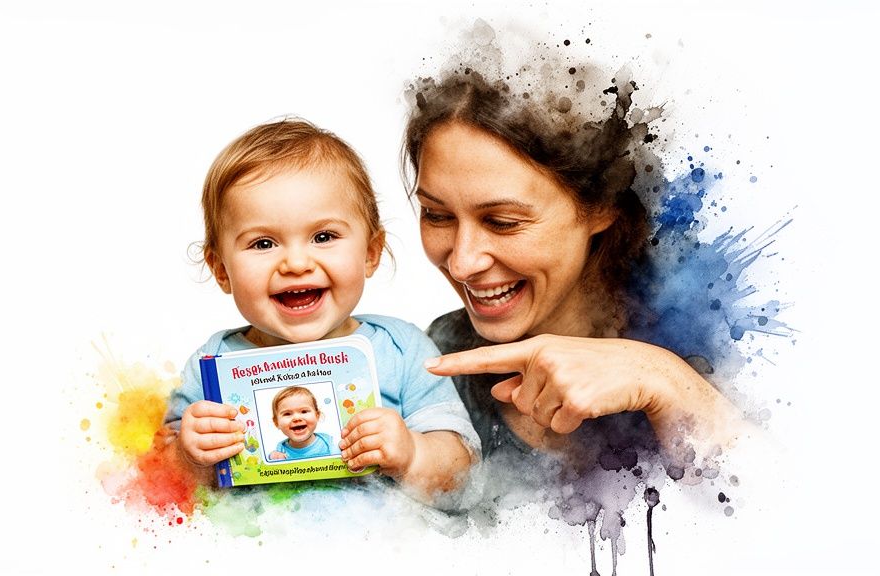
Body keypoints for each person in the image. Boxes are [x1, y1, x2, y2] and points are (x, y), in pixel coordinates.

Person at [401, 64, 750, 496]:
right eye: (437, 215)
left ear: (601, 206)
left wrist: (665, 381)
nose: (462, 263)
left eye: (504, 222)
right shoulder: (427, 361)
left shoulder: (722, 346)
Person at [160, 117, 480, 507]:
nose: (296, 263)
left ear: (371, 253)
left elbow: (463, 481)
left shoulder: (404, 350)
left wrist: (413, 454)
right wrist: (189, 458)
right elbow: (161, 490)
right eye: (263, 243)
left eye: (323, 237)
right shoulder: (211, 368)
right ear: (221, 270)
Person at [267, 386, 335, 461]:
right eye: (287, 414)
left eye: (304, 411)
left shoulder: (329, 442)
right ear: (276, 422)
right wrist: (271, 457)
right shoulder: (280, 449)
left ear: (317, 415)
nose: (296, 418)